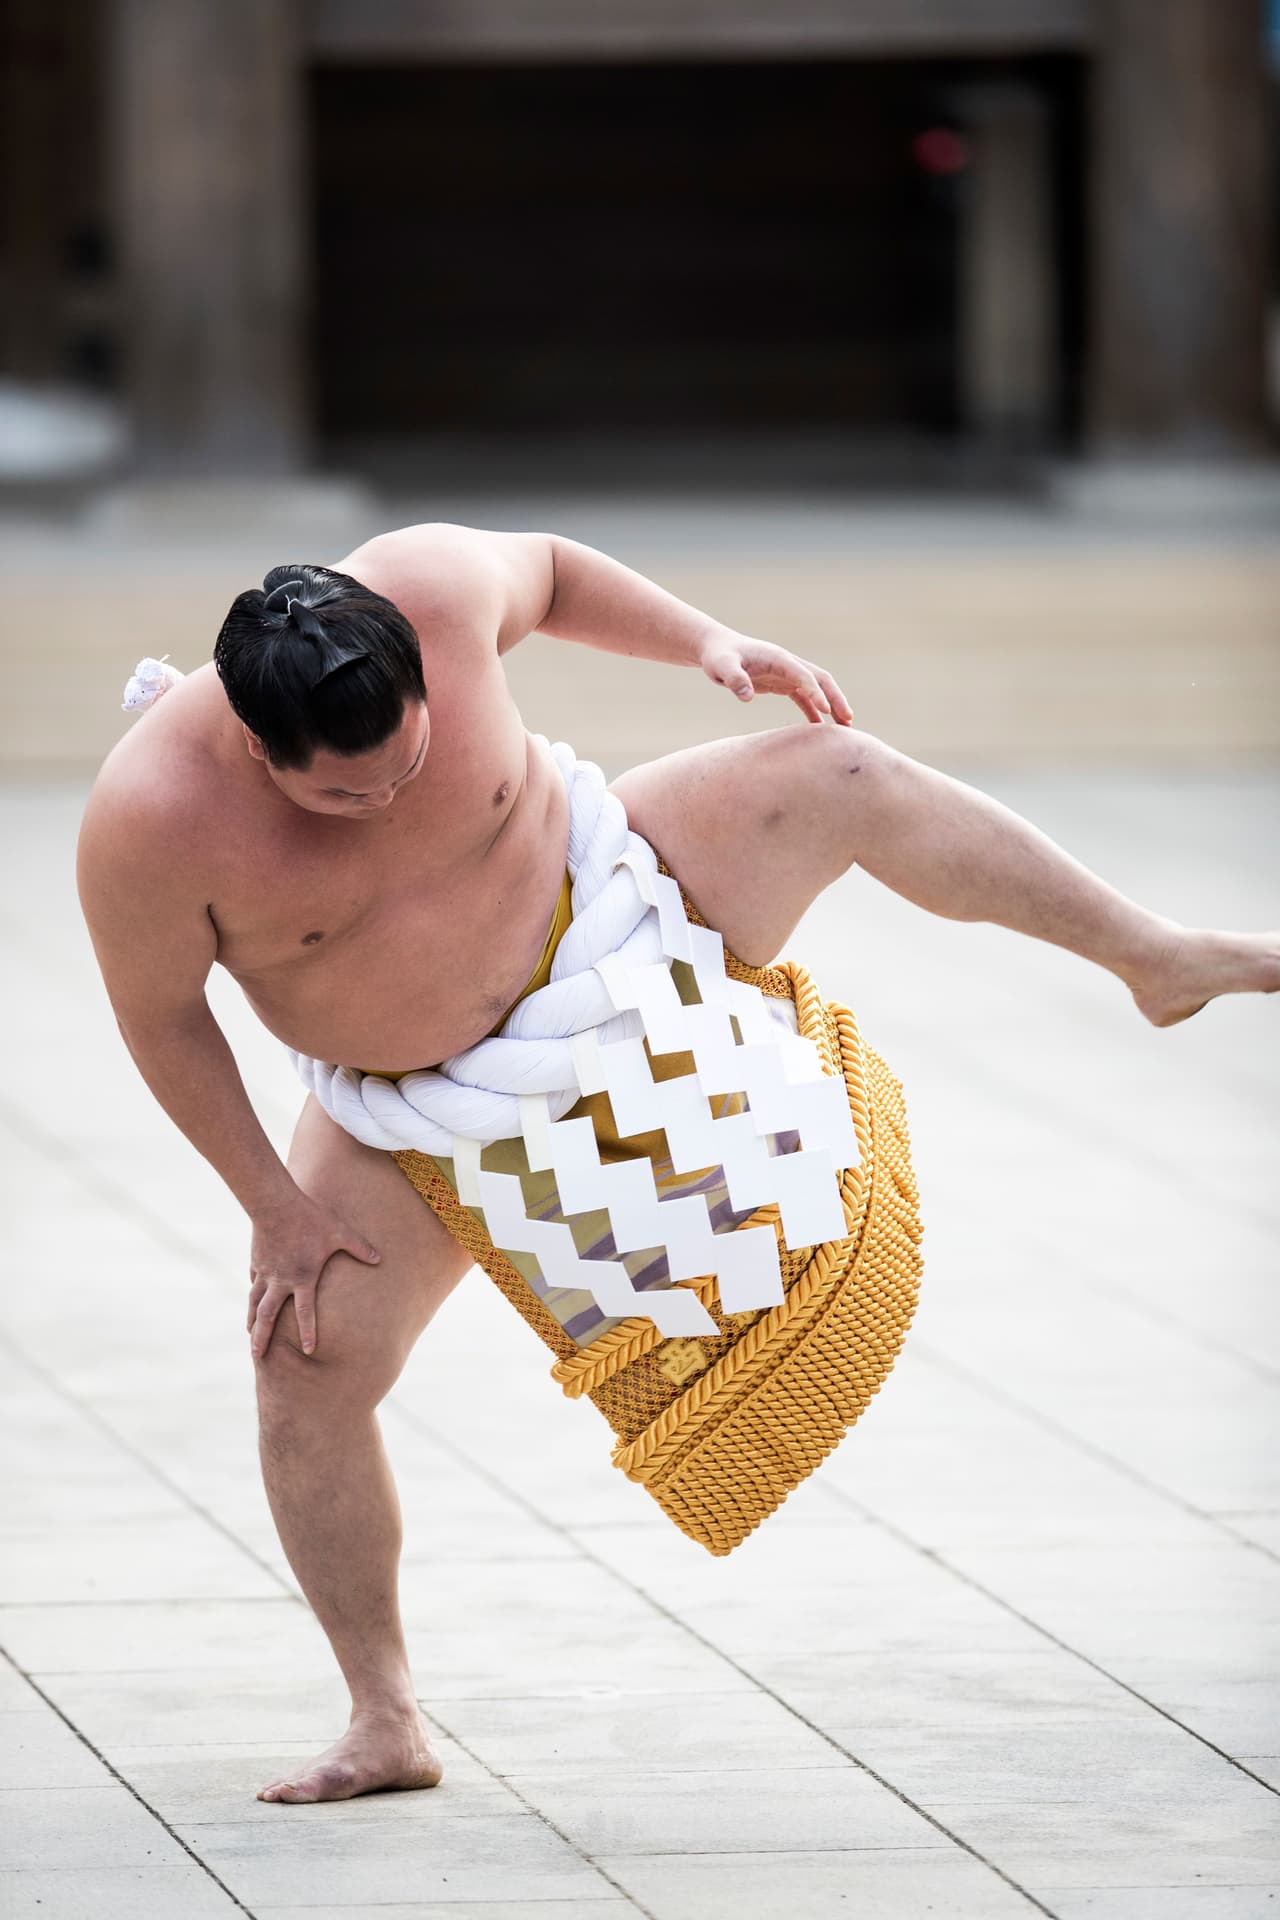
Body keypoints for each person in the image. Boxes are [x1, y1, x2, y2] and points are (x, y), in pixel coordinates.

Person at [76, 521, 1278, 1806]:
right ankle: (385, 1719)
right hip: (410, 1098)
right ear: (257, 749)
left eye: (406, 765)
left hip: (613, 901)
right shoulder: (151, 820)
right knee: (300, 1374)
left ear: (421, 667)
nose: (382, 806)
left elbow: (548, 566)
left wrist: (705, 637)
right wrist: (272, 1207)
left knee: (842, 774)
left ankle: (1152, 958)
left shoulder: (427, 583)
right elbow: (160, 1019)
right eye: (339, 798)